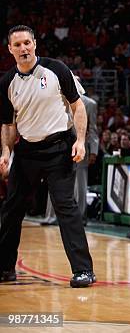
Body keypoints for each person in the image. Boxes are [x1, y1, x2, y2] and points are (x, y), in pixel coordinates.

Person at [0, 25, 96, 287]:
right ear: (10, 49)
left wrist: (80, 140)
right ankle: (5, 268)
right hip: (27, 151)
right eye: (17, 45)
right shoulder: (6, 82)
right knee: (11, 210)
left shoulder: (56, 70)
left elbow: (78, 106)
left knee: (66, 207)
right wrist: (6, 152)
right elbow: (8, 124)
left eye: (27, 43)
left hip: (59, 147)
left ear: (35, 44)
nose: (23, 48)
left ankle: (84, 270)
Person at [42, 80, 99, 226]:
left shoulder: (90, 104)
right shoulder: (57, 100)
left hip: (80, 144)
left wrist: (94, 150)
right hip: (59, 145)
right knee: (54, 179)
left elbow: (93, 129)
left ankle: (80, 217)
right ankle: (51, 216)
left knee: (80, 182)